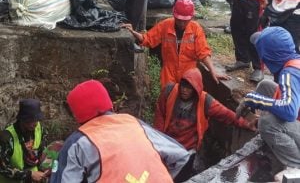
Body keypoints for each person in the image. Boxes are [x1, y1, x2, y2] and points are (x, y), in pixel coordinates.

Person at [50, 80, 190, 183]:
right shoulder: (133, 123)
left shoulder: (77, 142)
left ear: (77, 115)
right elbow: (182, 156)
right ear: (109, 103)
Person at [154, 67, 256, 174]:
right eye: (183, 86)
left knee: (182, 175)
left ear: (195, 89)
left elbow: (226, 114)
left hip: (187, 149)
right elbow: (160, 113)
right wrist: (158, 139)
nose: (184, 90)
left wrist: (246, 124)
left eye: (189, 88)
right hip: (167, 142)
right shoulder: (169, 91)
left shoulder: (205, 101)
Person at [236, 26, 300, 182]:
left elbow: (289, 111)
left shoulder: (288, 74)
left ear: (269, 57)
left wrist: (257, 100)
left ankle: (295, 166)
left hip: (295, 116)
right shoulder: (294, 61)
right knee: (264, 85)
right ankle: (271, 134)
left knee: (267, 123)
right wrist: (252, 100)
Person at [121, 0, 229, 88]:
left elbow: (203, 53)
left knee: (189, 104)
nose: (182, 23)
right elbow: (147, 39)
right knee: (168, 101)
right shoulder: (165, 25)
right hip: (169, 72)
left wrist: (213, 71)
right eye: (179, 19)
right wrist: (133, 32)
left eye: (185, 20)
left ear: (191, 18)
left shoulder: (196, 29)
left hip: (189, 73)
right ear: (174, 15)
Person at [0, 99, 48, 183]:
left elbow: (44, 152)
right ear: (22, 119)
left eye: (37, 119)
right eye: (31, 120)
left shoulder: (40, 129)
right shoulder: (6, 137)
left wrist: (47, 168)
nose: (35, 123)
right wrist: (29, 175)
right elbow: (2, 168)